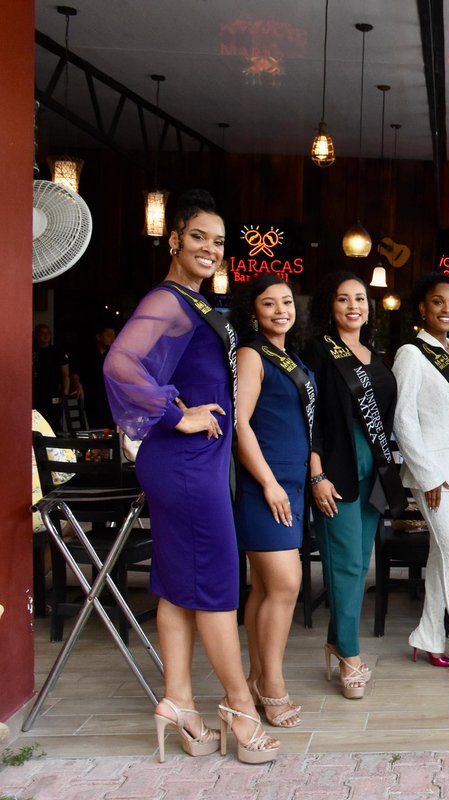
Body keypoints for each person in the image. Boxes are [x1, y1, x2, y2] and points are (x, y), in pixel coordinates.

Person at [104, 189, 278, 764]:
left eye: (219, 241)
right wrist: (178, 414)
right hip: (185, 465)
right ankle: (238, 708)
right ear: (174, 239)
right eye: (198, 236)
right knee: (220, 589)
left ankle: (178, 700)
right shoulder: (170, 300)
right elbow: (119, 363)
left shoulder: (194, 302)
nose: (210, 248)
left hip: (191, 466)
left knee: (180, 587)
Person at [304, 271, 398, 700]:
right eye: (343, 299)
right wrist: (316, 474)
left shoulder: (375, 355)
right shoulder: (319, 352)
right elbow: (310, 421)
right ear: (331, 306)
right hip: (335, 475)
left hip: (373, 474)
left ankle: (335, 642)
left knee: (360, 567)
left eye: (360, 298)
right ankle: (351, 657)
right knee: (343, 567)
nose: (353, 306)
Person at [391, 273, 449, 683]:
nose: (447, 310)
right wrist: (428, 476)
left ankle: (428, 635)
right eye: (438, 302)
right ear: (422, 308)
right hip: (435, 478)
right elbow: (403, 418)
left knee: (440, 556)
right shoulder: (411, 353)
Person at [230, 276, 313, 728]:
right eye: (269, 303)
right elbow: (241, 424)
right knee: (285, 586)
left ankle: (258, 678)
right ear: (253, 311)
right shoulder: (251, 354)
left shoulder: (290, 357)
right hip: (269, 486)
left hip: (294, 485)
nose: (280, 309)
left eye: (286, 301)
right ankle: (272, 687)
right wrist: (268, 483)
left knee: (267, 589)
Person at [70, 323, 117, 429]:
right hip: (91, 399)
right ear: (98, 336)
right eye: (108, 335)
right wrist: (78, 385)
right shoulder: (86, 354)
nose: (113, 339)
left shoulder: (115, 355)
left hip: (109, 401)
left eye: (114, 335)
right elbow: (74, 372)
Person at [33, 323, 71, 426]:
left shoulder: (58, 351)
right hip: (36, 394)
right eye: (42, 333)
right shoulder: (32, 351)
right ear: (36, 335)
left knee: (53, 422)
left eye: (48, 333)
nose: (46, 335)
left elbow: (65, 375)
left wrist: (65, 394)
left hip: (53, 392)